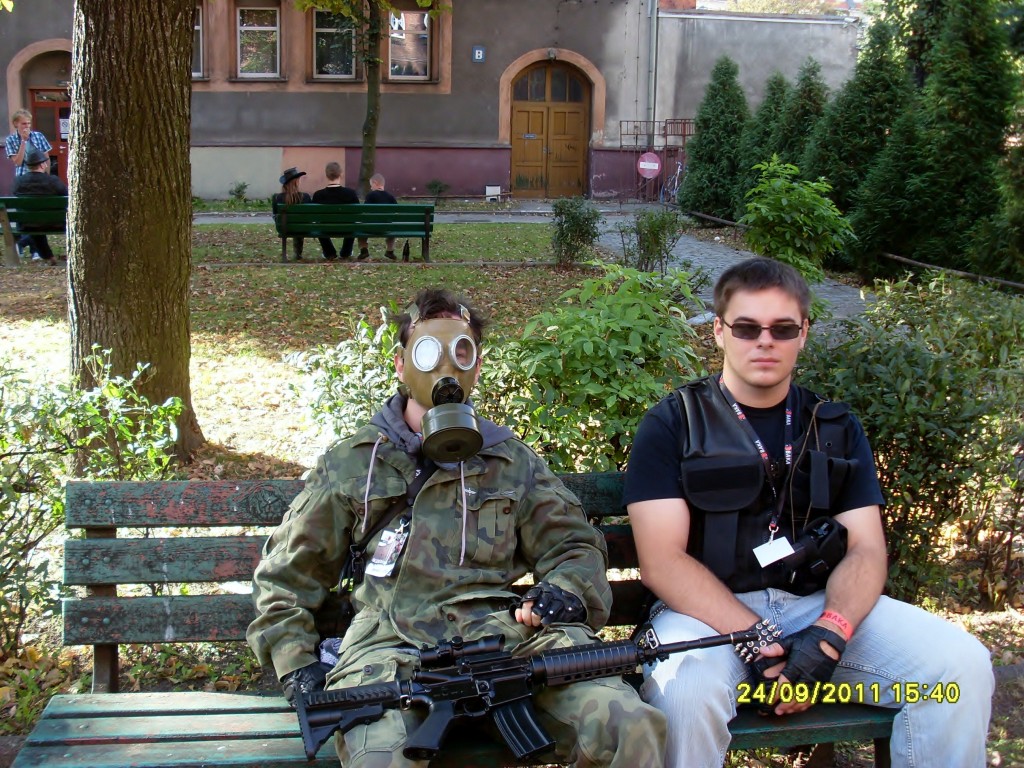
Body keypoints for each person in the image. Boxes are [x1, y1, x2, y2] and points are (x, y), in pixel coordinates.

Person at [247, 287, 666, 768]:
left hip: (507, 645)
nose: (446, 367)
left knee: (631, 727)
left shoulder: (510, 461)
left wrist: (566, 590)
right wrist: (297, 667)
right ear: (401, 365)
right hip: (389, 650)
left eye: (461, 352)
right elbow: (286, 576)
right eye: (428, 352)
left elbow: (574, 544)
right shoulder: (354, 465)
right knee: (380, 757)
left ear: (477, 367)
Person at [624, 258, 994, 768]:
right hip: (702, 619)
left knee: (960, 666)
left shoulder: (835, 426)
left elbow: (866, 548)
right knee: (685, 692)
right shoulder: (673, 423)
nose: (765, 341)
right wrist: (759, 640)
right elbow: (662, 562)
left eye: (782, 329)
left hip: (816, 607)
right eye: (747, 327)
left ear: (803, 333)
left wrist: (828, 636)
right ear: (719, 331)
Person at [6, 108, 53, 257]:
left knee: (37, 217)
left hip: (39, 182)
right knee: (24, 216)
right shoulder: (11, 140)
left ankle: (32, 249)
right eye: (23, 124)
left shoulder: (38, 136)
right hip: (23, 183)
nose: (27, 127)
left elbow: (46, 158)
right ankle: (24, 245)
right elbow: (18, 162)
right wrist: (23, 142)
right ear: (16, 124)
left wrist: (46, 177)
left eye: (28, 123)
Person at [13, 145, 68, 265]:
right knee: (41, 221)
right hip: (55, 224)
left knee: (35, 221)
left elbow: (15, 192)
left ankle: (49, 257)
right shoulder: (53, 181)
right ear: (42, 165)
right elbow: (66, 195)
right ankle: (49, 257)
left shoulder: (19, 181)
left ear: (28, 166)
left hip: (27, 224)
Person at [311, 161, 359, 261]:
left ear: (327, 175)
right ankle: (346, 251)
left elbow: (313, 216)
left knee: (319, 225)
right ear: (341, 174)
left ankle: (329, 252)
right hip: (347, 228)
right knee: (352, 223)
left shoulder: (318, 195)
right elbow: (357, 213)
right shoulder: (350, 193)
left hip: (325, 228)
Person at [272, 167, 311, 261]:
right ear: (296, 182)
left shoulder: (277, 198)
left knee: (292, 224)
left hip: (284, 228)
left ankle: (291, 254)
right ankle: (298, 253)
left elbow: (275, 214)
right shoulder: (305, 197)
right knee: (300, 224)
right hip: (303, 228)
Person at [357, 172, 397, 261]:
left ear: (375, 183)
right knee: (392, 226)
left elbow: (365, 211)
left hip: (371, 228)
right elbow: (396, 212)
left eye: (371, 185)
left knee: (360, 226)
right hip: (386, 228)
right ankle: (390, 250)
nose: (371, 188)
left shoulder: (370, 195)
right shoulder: (390, 197)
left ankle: (363, 249)